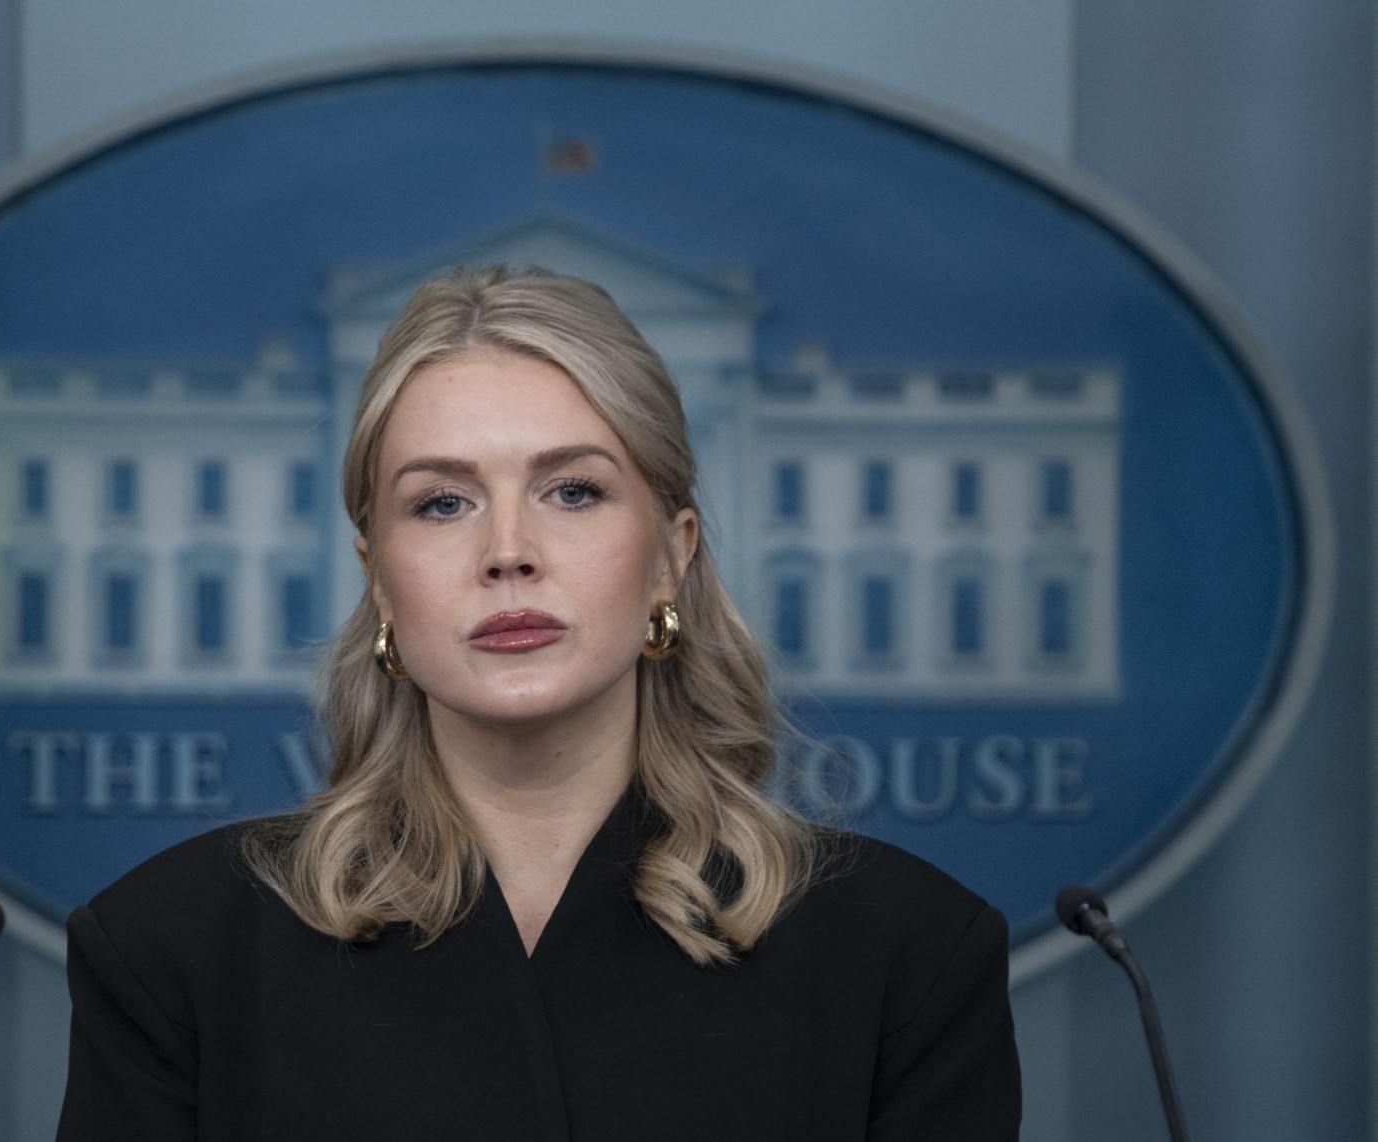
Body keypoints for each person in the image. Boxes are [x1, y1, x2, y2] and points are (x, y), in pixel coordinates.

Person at [57, 266, 1020, 1141]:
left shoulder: (909, 956)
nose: (508, 552)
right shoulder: (170, 950)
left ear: (672, 555)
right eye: (443, 503)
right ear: (378, 578)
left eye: (572, 491)